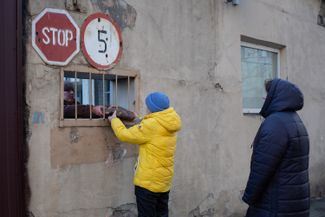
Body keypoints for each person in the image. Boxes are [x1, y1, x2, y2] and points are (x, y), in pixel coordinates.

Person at [242, 79, 310, 217]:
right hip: (293, 204)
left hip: (274, 205)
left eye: (267, 95)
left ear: (276, 97)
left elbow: (261, 169)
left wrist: (249, 198)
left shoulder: (275, 123)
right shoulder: (295, 120)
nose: (263, 98)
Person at [107, 92, 182, 217]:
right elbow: (152, 130)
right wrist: (139, 120)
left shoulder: (151, 125)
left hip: (148, 182)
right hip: (164, 181)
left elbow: (124, 135)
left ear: (152, 108)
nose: (146, 108)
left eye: (147, 106)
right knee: (161, 214)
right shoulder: (169, 122)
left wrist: (114, 120)